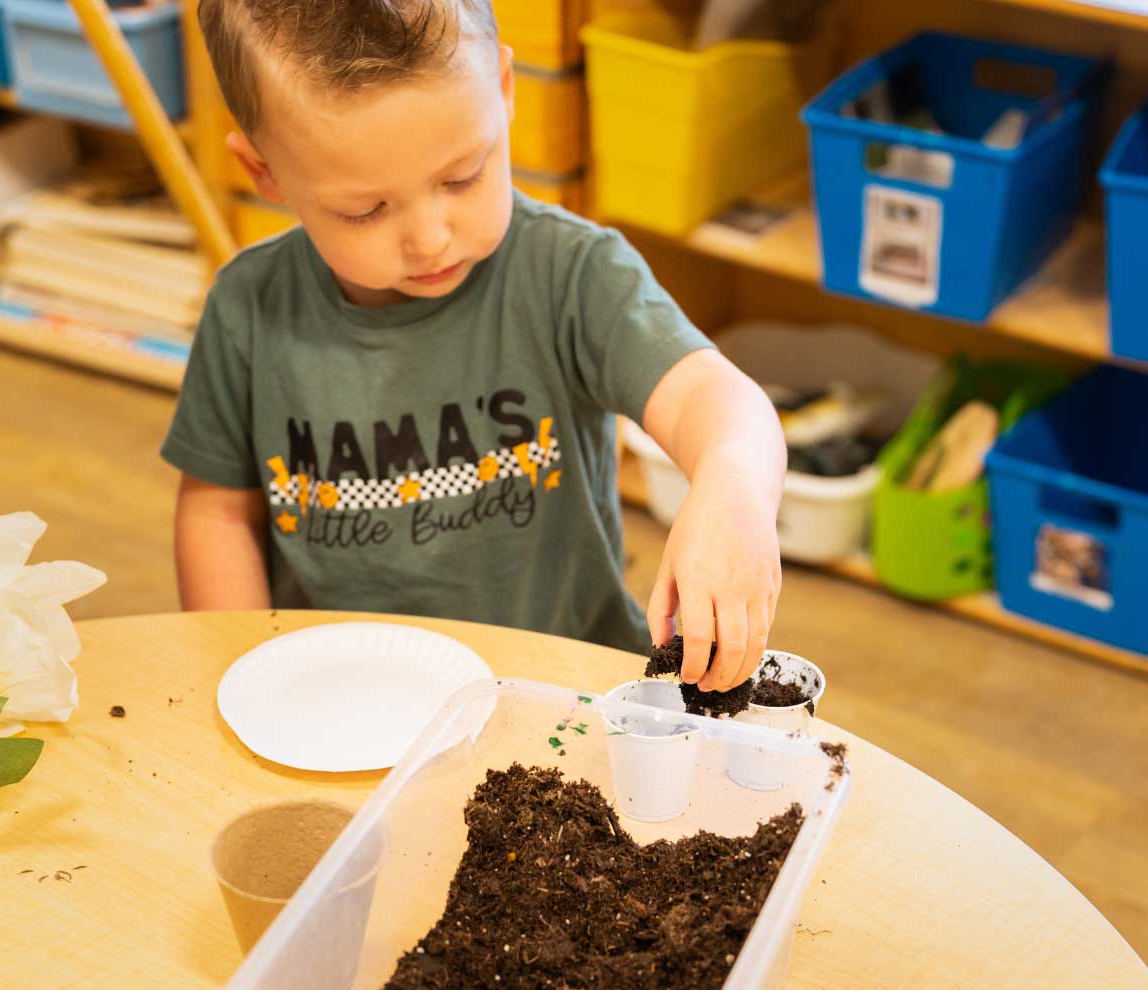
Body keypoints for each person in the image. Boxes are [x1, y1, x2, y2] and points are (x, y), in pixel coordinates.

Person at [162, 0, 786, 692]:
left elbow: (712, 396)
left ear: (504, 90)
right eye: (365, 210)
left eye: (462, 177)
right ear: (264, 170)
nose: (429, 237)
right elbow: (218, 512)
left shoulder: (571, 275)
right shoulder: (246, 311)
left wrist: (733, 488)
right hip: (340, 699)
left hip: (561, 691)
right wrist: (244, 674)